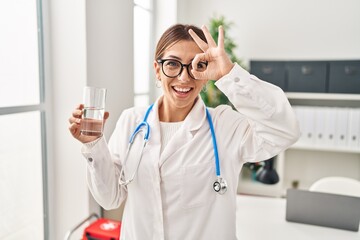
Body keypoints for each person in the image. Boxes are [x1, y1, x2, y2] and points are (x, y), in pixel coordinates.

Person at [69, 24, 300, 240]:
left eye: (196, 65)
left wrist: (228, 74)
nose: (184, 77)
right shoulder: (132, 121)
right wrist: (94, 145)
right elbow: (110, 197)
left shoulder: (224, 125)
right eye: (172, 64)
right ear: (157, 70)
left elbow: (284, 130)